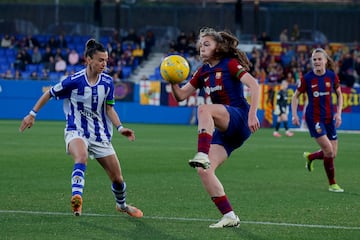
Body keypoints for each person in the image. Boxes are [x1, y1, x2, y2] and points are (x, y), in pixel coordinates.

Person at [19, 39, 143, 217]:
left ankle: (122, 205)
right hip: (76, 130)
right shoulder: (74, 81)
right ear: (88, 59)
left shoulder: (107, 82)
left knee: (117, 179)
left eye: (106, 60)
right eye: (100, 60)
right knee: (81, 156)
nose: (104, 64)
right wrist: (32, 113)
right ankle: (77, 197)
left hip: (100, 135)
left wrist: (120, 127)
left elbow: (109, 108)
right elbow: (49, 93)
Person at [170, 27, 260, 228]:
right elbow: (181, 96)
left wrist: (253, 113)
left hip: (240, 117)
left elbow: (254, 85)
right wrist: (172, 81)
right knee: (204, 171)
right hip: (227, 130)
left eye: (207, 44)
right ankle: (229, 216)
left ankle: (201, 153)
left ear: (218, 47)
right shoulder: (202, 71)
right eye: (201, 44)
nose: (202, 47)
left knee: (204, 109)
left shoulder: (230, 64)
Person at [291, 48, 344, 193]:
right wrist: (294, 115)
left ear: (326, 61)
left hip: (329, 117)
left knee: (333, 153)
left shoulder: (332, 76)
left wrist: (339, 114)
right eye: (314, 59)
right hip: (314, 118)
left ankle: (310, 156)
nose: (317, 62)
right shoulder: (307, 78)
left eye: (320, 59)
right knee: (328, 150)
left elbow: (339, 95)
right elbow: (295, 96)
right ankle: (332, 184)